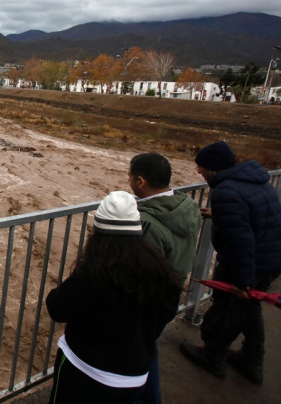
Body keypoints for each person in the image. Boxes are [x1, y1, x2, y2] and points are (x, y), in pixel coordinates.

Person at [46, 191, 180, 403]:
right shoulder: (160, 269)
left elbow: (58, 308)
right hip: (135, 376)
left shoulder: (94, 272)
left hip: (87, 371)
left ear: (98, 230)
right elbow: (166, 313)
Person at [179, 141, 281, 384]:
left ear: (213, 168)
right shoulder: (255, 180)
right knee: (250, 309)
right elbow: (253, 214)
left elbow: (241, 242)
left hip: (249, 263)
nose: (198, 172)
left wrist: (242, 281)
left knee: (225, 308)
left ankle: (214, 357)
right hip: (272, 257)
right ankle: (251, 360)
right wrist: (221, 213)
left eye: (200, 166)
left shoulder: (226, 192)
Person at [128, 153, 202, 404]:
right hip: (171, 294)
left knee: (137, 356)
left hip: (147, 302)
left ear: (140, 181)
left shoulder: (147, 222)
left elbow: (139, 272)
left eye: (129, 176)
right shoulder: (186, 206)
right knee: (149, 348)